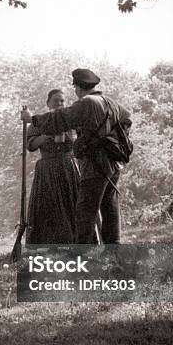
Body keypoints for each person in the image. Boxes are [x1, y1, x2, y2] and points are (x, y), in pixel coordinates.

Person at [21, 69, 131, 244]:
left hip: (94, 165)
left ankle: (84, 256)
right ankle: (113, 252)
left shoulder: (86, 103)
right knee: (110, 208)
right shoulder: (110, 102)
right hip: (113, 165)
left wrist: (32, 119)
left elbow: (60, 119)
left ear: (78, 88)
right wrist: (107, 138)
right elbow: (126, 119)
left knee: (85, 213)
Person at [25, 88, 80, 244]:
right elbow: (31, 145)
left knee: (72, 203)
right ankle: (49, 242)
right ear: (48, 103)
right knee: (48, 205)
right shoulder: (39, 121)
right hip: (47, 169)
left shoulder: (70, 121)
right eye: (55, 100)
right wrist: (47, 135)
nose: (59, 104)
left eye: (62, 101)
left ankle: (74, 240)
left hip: (67, 167)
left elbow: (78, 143)